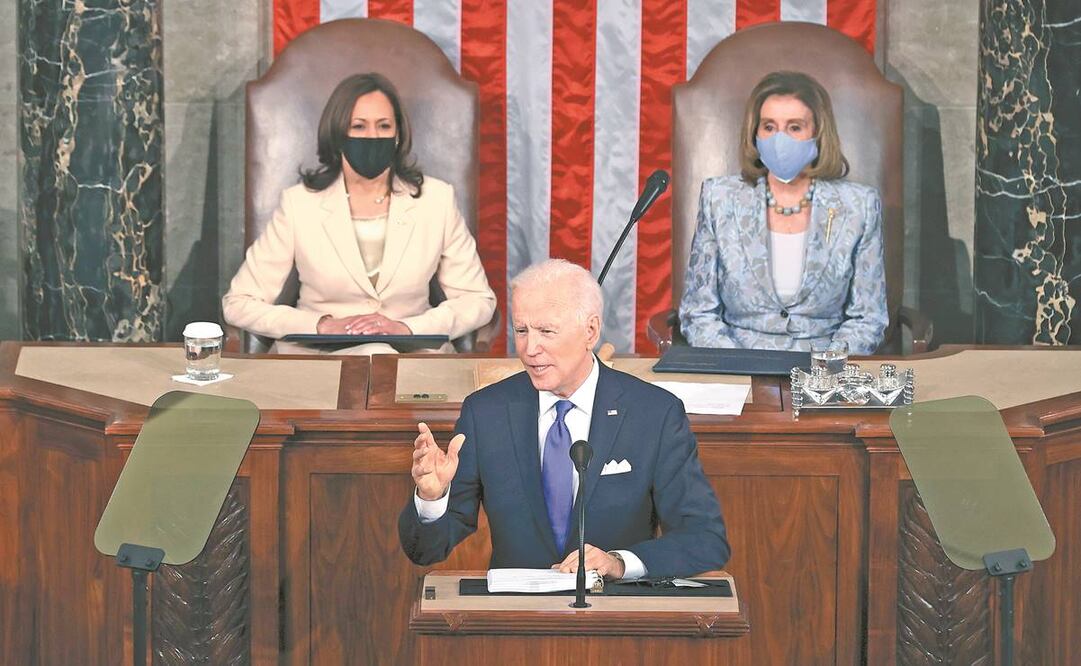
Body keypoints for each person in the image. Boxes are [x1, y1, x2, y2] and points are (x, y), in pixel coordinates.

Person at [399, 259, 730, 579]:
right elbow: (425, 551)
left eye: (546, 331)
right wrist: (431, 498)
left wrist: (618, 564)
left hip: (617, 618)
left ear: (590, 331)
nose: (530, 348)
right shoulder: (486, 413)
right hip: (514, 623)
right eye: (522, 330)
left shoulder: (653, 413)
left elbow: (705, 539)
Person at [222, 73, 496, 354]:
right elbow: (239, 303)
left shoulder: (436, 200)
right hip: (321, 362)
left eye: (384, 126)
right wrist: (322, 325)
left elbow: (477, 300)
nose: (372, 136)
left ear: (398, 135)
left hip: (413, 360)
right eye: (359, 126)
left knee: (383, 358)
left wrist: (409, 328)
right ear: (338, 134)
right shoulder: (299, 204)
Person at [679, 70, 888, 355]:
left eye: (794, 127)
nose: (780, 139)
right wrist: (735, 366)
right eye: (769, 127)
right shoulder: (720, 199)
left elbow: (868, 318)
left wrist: (826, 368)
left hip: (824, 371)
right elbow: (698, 313)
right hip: (737, 365)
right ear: (755, 133)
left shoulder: (858, 205)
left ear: (818, 132)